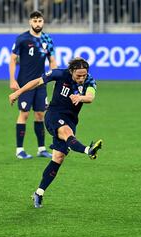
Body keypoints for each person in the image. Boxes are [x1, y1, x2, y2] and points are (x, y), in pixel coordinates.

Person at [9, 57, 103, 208]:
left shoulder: (89, 81)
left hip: (71, 119)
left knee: (58, 158)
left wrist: (80, 97)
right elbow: (37, 82)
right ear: (71, 71)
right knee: (66, 133)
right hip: (54, 115)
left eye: (84, 75)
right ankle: (88, 150)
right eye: (78, 75)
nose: (81, 78)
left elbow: (90, 97)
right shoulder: (59, 74)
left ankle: (39, 193)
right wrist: (18, 92)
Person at [9, 10, 57, 159]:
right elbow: (12, 60)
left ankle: (41, 149)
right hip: (24, 84)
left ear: (43, 22)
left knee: (39, 114)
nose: (37, 24)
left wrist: (55, 76)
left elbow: (52, 61)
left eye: (40, 21)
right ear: (30, 22)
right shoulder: (22, 39)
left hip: (40, 83)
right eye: (35, 21)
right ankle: (19, 150)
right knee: (24, 114)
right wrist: (12, 80)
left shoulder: (47, 39)